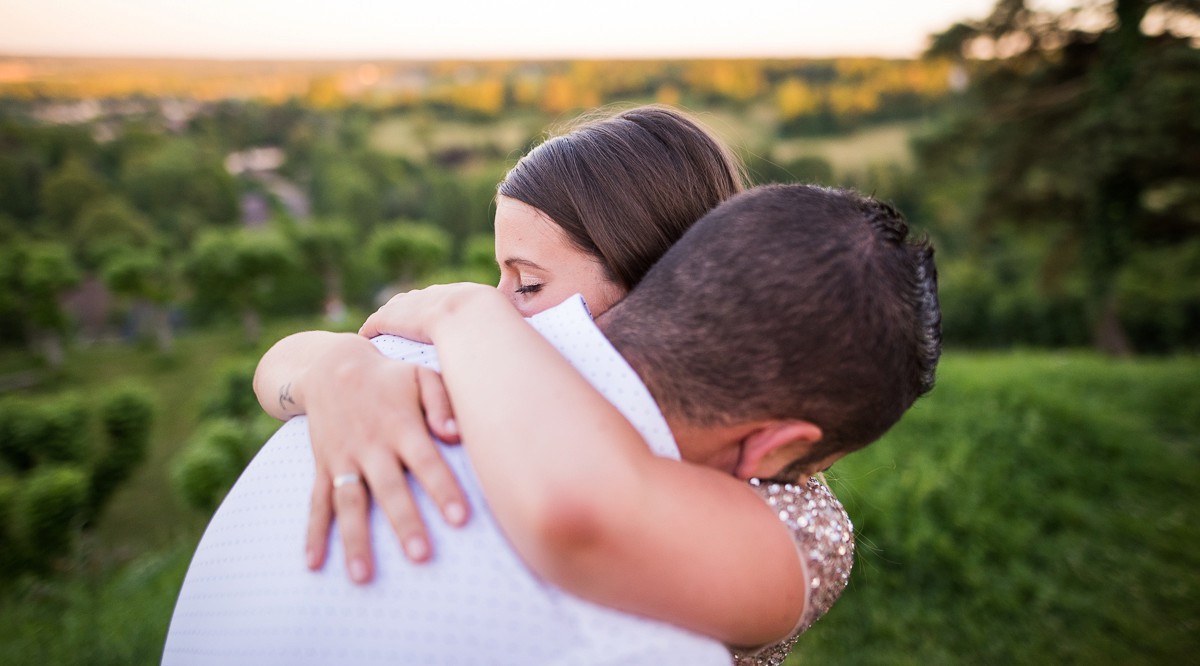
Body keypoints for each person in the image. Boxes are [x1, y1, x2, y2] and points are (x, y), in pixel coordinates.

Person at [163, 184, 941, 665]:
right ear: (779, 448)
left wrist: (451, 309)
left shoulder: (399, 356)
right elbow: (580, 512)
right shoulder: (644, 633)